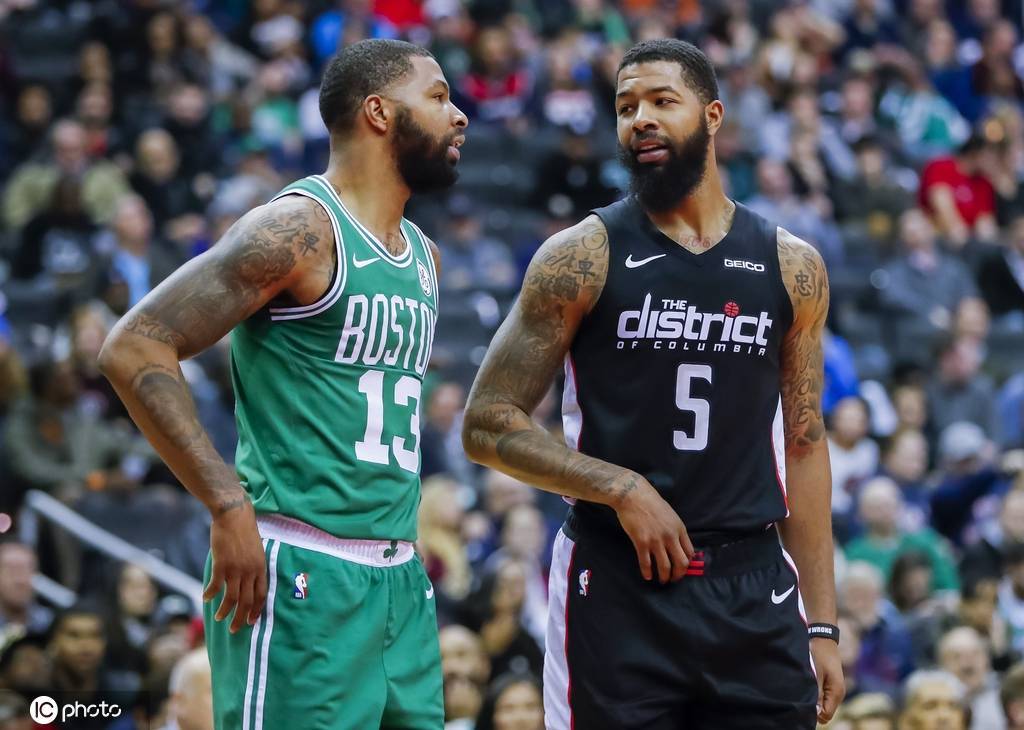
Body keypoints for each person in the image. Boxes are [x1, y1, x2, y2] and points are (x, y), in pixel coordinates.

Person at [462, 38, 843, 729]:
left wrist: (821, 624)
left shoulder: (791, 266)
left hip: (751, 585)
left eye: (663, 101)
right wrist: (620, 487)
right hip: (616, 584)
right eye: (626, 106)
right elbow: (487, 422)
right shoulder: (581, 255)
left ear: (713, 115)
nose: (641, 119)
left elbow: (805, 443)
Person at [99, 38, 468, 729]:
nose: (459, 115)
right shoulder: (300, 229)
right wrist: (226, 503)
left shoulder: (426, 257)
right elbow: (133, 345)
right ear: (379, 112)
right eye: (439, 96)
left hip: (400, 576)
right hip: (302, 565)